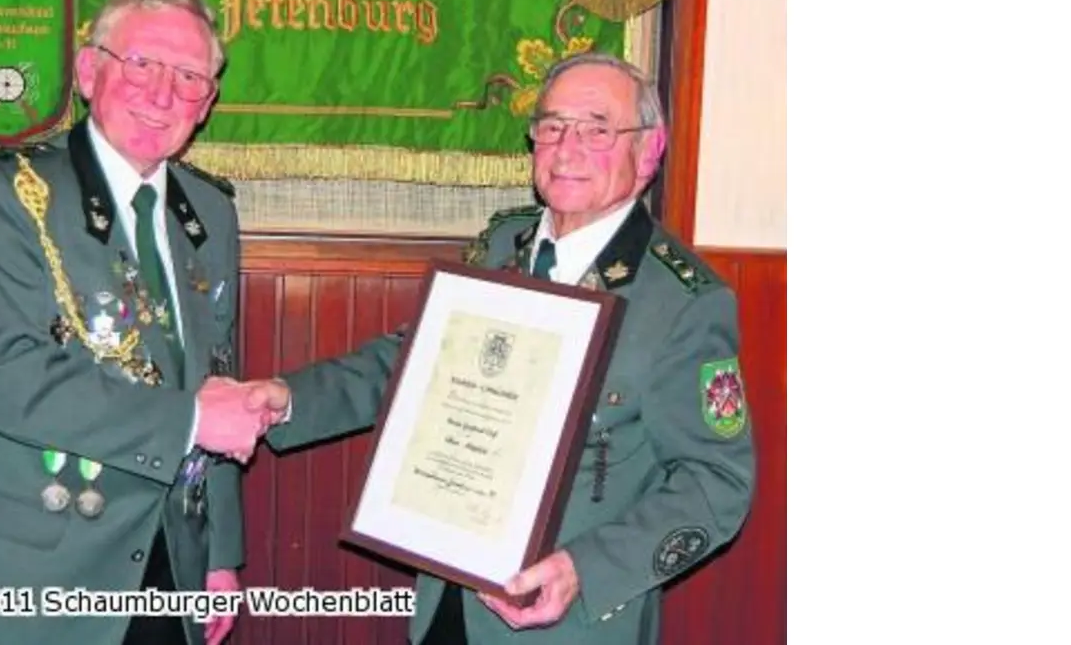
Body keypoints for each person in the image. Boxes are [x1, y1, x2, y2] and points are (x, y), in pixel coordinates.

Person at [236, 53, 757, 644]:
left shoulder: (682, 301)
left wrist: (583, 569)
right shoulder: (502, 243)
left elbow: (716, 482)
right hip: (448, 603)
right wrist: (286, 398)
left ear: (650, 150)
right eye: (553, 125)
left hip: (568, 624)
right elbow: (414, 363)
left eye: (597, 128)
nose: (567, 147)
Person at [0, 0, 272, 645]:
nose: (163, 94)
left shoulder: (210, 212)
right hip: (39, 568)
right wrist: (193, 418)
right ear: (89, 71)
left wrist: (219, 551)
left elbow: (219, 373)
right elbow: (7, 375)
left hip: (169, 563)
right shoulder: (4, 193)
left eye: (190, 76)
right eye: (141, 64)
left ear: (209, 101)